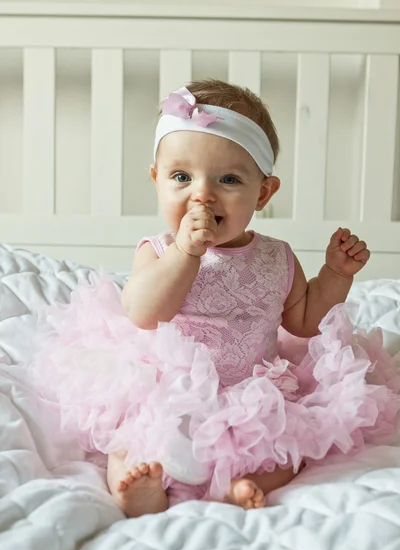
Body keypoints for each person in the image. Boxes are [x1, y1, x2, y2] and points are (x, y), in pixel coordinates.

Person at [30, 79, 400, 518]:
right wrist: (186, 253)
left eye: (228, 179)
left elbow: (303, 321)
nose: (202, 194)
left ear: (263, 192)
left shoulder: (277, 257)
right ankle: (136, 489)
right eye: (182, 177)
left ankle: (242, 486)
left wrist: (335, 275)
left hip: (249, 392)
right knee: (130, 437)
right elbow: (144, 312)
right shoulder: (159, 250)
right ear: (157, 180)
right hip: (168, 389)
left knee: (291, 450)